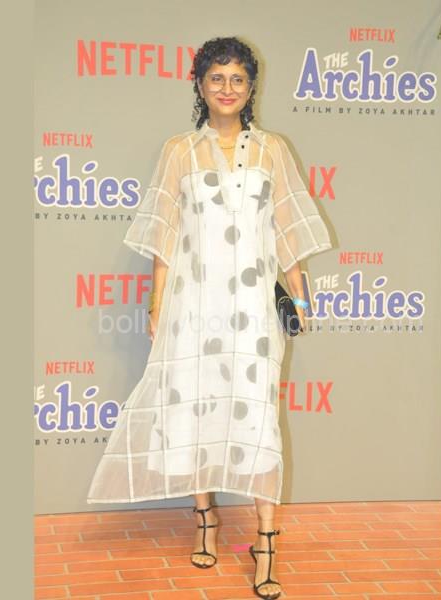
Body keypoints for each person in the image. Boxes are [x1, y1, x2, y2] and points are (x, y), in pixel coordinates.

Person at [87, 36, 332, 600]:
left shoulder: (271, 149)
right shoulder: (180, 150)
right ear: (200, 84)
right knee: (195, 408)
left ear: (251, 88)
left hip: (252, 311)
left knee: (258, 419)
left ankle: (265, 544)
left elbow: (287, 225)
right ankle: (205, 519)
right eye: (217, 77)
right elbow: (164, 235)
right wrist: (156, 303)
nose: (227, 88)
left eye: (237, 79)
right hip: (193, 307)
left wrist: (297, 290)